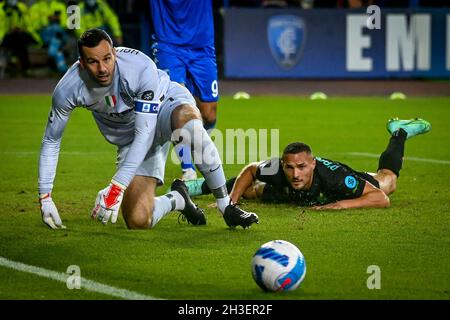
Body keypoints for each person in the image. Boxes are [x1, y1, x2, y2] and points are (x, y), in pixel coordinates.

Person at [38, 28, 258, 231]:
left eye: (107, 59)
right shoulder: (68, 89)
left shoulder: (138, 67)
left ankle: (225, 205)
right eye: (93, 62)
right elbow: (51, 140)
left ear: (114, 53)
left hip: (165, 107)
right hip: (130, 140)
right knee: (138, 220)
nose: (103, 68)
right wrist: (45, 196)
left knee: (192, 128)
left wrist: (117, 187)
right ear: (82, 64)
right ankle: (178, 199)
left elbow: (146, 131)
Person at [185, 119, 431, 209]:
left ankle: (399, 132)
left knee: (387, 181)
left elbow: (380, 199)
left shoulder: (335, 178)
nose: (295, 173)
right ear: (283, 164)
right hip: (292, 196)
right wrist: (231, 202)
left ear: (312, 165)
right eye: (289, 167)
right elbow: (251, 170)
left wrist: (339, 205)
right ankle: (203, 186)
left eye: (302, 167)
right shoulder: (281, 170)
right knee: (250, 188)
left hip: (340, 186)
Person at [149, 0, 219, 181]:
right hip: (168, 46)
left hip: (202, 47)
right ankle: (188, 169)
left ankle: (201, 154)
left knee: (209, 114)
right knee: (177, 106)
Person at [0, 0, 41, 76]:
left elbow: (28, 24)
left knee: (19, 39)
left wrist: (20, 29)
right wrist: (9, 30)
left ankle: (15, 62)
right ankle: (24, 68)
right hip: (5, 35)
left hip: (20, 34)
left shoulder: (21, 7)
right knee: (15, 40)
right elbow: (1, 27)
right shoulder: (1, 8)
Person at [29, 0, 69, 73]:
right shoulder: (35, 8)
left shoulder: (60, 6)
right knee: (54, 29)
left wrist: (57, 20)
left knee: (56, 27)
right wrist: (48, 21)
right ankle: (62, 68)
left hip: (59, 33)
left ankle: (53, 49)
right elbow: (35, 26)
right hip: (45, 34)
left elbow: (65, 24)